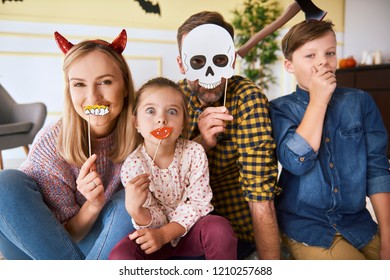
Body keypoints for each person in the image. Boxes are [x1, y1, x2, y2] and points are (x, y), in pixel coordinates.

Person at [0, 30, 138, 259]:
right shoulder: (51, 145)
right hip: (43, 249)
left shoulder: (143, 133)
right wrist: (92, 205)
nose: (93, 97)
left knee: (128, 202)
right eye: (79, 84)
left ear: (124, 86)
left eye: (105, 81)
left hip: (105, 245)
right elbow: (63, 236)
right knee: (5, 183)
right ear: (69, 90)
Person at [269, 20, 390, 260]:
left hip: (358, 223)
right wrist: (318, 101)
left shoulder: (360, 102)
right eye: (310, 55)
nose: (323, 61)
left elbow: (377, 171)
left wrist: (387, 237)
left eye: (330, 53)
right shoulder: (280, 109)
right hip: (307, 227)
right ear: (289, 65)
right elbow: (296, 162)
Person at [176, 11, 281, 260]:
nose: (208, 76)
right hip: (179, 230)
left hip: (233, 233)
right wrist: (201, 144)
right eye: (197, 62)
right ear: (182, 64)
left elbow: (261, 197)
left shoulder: (247, 99)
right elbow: (160, 175)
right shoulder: (173, 99)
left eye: (218, 59)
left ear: (232, 60)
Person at [108, 77, 237, 260]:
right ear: (136, 122)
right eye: (151, 111)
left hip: (192, 233)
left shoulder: (194, 152)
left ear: (184, 122)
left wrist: (165, 234)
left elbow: (199, 204)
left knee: (219, 228)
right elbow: (155, 220)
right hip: (153, 239)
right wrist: (136, 211)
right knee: (121, 254)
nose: (161, 119)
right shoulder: (133, 166)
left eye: (172, 111)